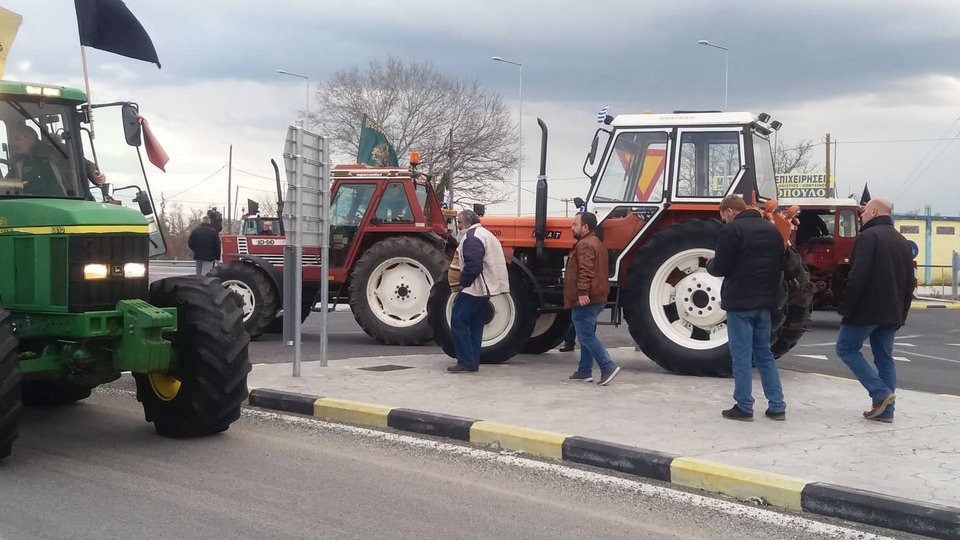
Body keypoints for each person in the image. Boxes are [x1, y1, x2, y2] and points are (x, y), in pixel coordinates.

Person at [707, 194, 787, 421]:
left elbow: (721, 266)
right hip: (765, 303)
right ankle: (777, 405)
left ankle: (744, 406)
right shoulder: (771, 230)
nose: (725, 221)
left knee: (741, 356)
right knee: (764, 354)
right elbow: (778, 264)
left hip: (741, 302)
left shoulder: (732, 231)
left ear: (729, 212)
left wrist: (709, 263)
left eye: (724, 217)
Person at [835, 198, 914, 423]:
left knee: (846, 348)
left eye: (864, 211)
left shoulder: (868, 238)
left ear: (874, 211)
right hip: (892, 311)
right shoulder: (901, 240)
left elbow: (858, 276)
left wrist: (846, 308)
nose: (861, 215)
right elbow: (910, 281)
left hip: (866, 309)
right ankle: (886, 412)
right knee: (884, 357)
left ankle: (880, 394)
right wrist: (902, 314)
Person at [448, 209, 509, 373]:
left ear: (467, 222)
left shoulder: (471, 237)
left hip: (475, 288)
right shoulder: (487, 234)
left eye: (459, 223)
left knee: (458, 321)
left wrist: (463, 283)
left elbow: (474, 265)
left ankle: (466, 361)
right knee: (476, 325)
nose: (458, 227)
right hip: (487, 289)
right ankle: (473, 361)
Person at [564, 212, 620, 385]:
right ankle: (584, 370)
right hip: (597, 297)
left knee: (586, 335)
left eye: (575, 224)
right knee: (586, 334)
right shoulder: (597, 243)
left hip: (587, 298)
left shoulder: (585, 245)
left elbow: (586, 271)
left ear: (585, 227)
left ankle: (607, 367)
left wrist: (582, 293)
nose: (572, 227)